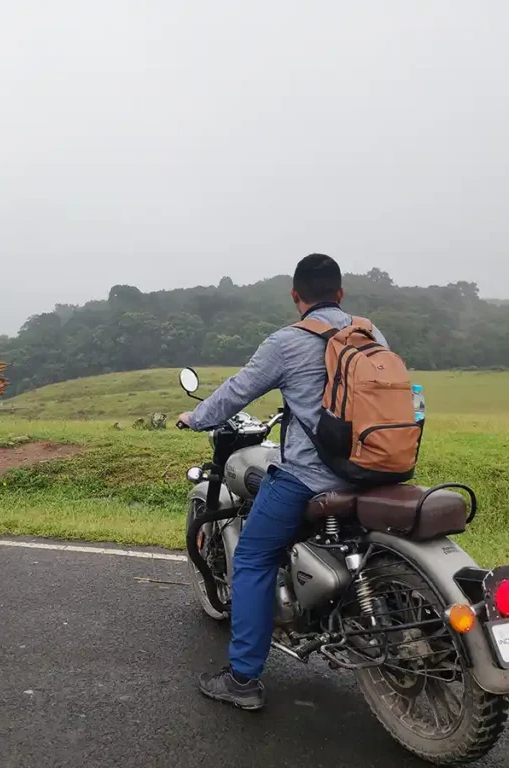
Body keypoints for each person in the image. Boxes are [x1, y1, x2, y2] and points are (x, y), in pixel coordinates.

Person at [177, 253, 388, 711]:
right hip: (376, 471)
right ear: (341, 294)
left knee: (252, 556)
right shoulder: (371, 334)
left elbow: (238, 389)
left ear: (297, 297)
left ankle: (243, 680)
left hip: (311, 477)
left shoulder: (288, 342)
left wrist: (196, 417)